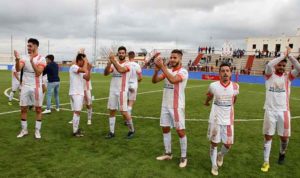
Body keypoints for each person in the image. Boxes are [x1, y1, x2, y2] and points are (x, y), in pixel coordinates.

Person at [261, 47, 300, 172]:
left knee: (284, 138)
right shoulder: (268, 75)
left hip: (284, 111)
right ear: (276, 65)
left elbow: (299, 68)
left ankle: (282, 152)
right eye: (280, 65)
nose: (282, 67)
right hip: (270, 111)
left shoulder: (288, 77)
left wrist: (290, 57)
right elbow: (269, 64)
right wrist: (283, 56)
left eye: (284, 65)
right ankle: (266, 162)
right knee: (268, 137)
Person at [152, 49, 188, 168]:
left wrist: (162, 66)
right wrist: (156, 71)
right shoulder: (169, 70)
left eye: (175, 58)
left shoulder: (183, 72)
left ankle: (183, 157)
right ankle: (168, 153)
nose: (172, 60)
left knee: (180, 131)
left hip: (177, 106)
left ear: (180, 59)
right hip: (165, 105)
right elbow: (154, 81)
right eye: (171, 57)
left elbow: (173, 80)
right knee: (165, 128)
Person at [204, 62, 239, 176]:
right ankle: (214, 165)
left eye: (227, 71)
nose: (225, 73)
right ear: (219, 73)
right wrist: (207, 102)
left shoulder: (235, 86)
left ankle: (221, 155)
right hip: (215, 119)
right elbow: (209, 95)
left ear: (230, 73)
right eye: (223, 71)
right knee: (214, 143)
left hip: (229, 120)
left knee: (228, 144)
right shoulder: (213, 85)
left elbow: (234, 98)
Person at [14, 38, 46, 139]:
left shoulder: (42, 58)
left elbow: (38, 73)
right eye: (28, 46)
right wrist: (17, 59)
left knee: (38, 109)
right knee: (23, 108)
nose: (28, 48)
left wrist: (32, 62)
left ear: (36, 46)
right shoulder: (24, 57)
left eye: (30, 46)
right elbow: (18, 68)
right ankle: (24, 130)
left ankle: (37, 131)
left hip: (37, 87)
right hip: (25, 86)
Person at [104, 46, 135, 139]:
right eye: (120, 53)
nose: (121, 54)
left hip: (122, 91)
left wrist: (113, 60)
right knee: (112, 110)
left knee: (124, 112)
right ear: (118, 54)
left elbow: (121, 70)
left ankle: (132, 130)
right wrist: (109, 64)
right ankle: (111, 132)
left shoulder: (129, 64)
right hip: (113, 90)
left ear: (125, 54)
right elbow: (106, 73)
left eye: (123, 53)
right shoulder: (114, 63)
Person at [69, 52, 90, 137]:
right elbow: (84, 70)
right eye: (82, 61)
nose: (84, 62)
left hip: (79, 93)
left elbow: (87, 78)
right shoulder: (74, 67)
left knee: (77, 112)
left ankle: (76, 129)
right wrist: (86, 63)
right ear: (78, 60)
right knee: (77, 112)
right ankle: (75, 131)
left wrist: (89, 69)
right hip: (75, 92)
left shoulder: (81, 69)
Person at [127, 51, 142, 117]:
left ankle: (126, 116)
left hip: (126, 84)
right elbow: (140, 77)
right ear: (134, 56)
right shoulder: (137, 65)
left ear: (128, 56)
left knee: (127, 101)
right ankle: (128, 117)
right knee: (131, 102)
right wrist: (137, 81)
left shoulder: (126, 64)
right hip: (134, 84)